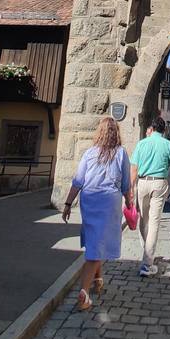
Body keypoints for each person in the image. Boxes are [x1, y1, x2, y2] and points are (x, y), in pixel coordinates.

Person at [62, 117, 132, 310]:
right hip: (109, 201)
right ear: (116, 133)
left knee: (95, 237)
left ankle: (97, 278)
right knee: (97, 244)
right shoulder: (121, 153)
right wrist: (130, 201)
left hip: (89, 199)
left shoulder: (89, 153)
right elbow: (126, 183)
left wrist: (68, 203)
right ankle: (84, 293)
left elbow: (78, 181)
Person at [130, 115, 170, 277]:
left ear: (151, 128)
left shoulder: (142, 144)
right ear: (164, 130)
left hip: (142, 182)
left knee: (143, 219)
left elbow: (133, 168)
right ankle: (147, 262)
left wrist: (131, 188)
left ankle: (147, 251)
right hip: (159, 183)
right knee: (153, 222)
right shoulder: (167, 144)